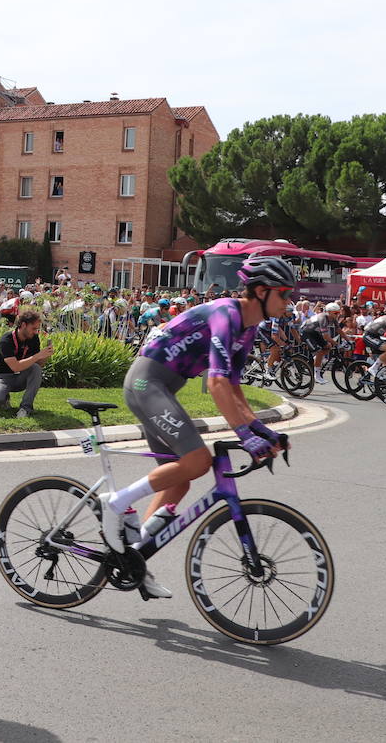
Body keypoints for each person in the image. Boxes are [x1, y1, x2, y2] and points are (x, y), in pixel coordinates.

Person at [106, 254, 296, 600]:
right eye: (284, 293)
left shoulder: (248, 329)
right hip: (147, 384)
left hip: (161, 388)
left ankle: (134, 557)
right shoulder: (227, 313)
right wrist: (244, 436)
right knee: (198, 461)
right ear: (262, 291)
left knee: (178, 483)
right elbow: (216, 383)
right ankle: (117, 502)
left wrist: (262, 432)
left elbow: (234, 389)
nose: (289, 302)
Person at [0, 309, 53, 418]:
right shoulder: (6, 340)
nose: (36, 332)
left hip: (21, 377)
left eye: (37, 329)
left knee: (36, 368)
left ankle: (26, 408)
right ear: (23, 325)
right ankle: (4, 399)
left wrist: (45, 355)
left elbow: (38, 364)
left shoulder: (33, 338)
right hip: (3, 377)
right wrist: (37, 356)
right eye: (34, 328)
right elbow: (15, 367)